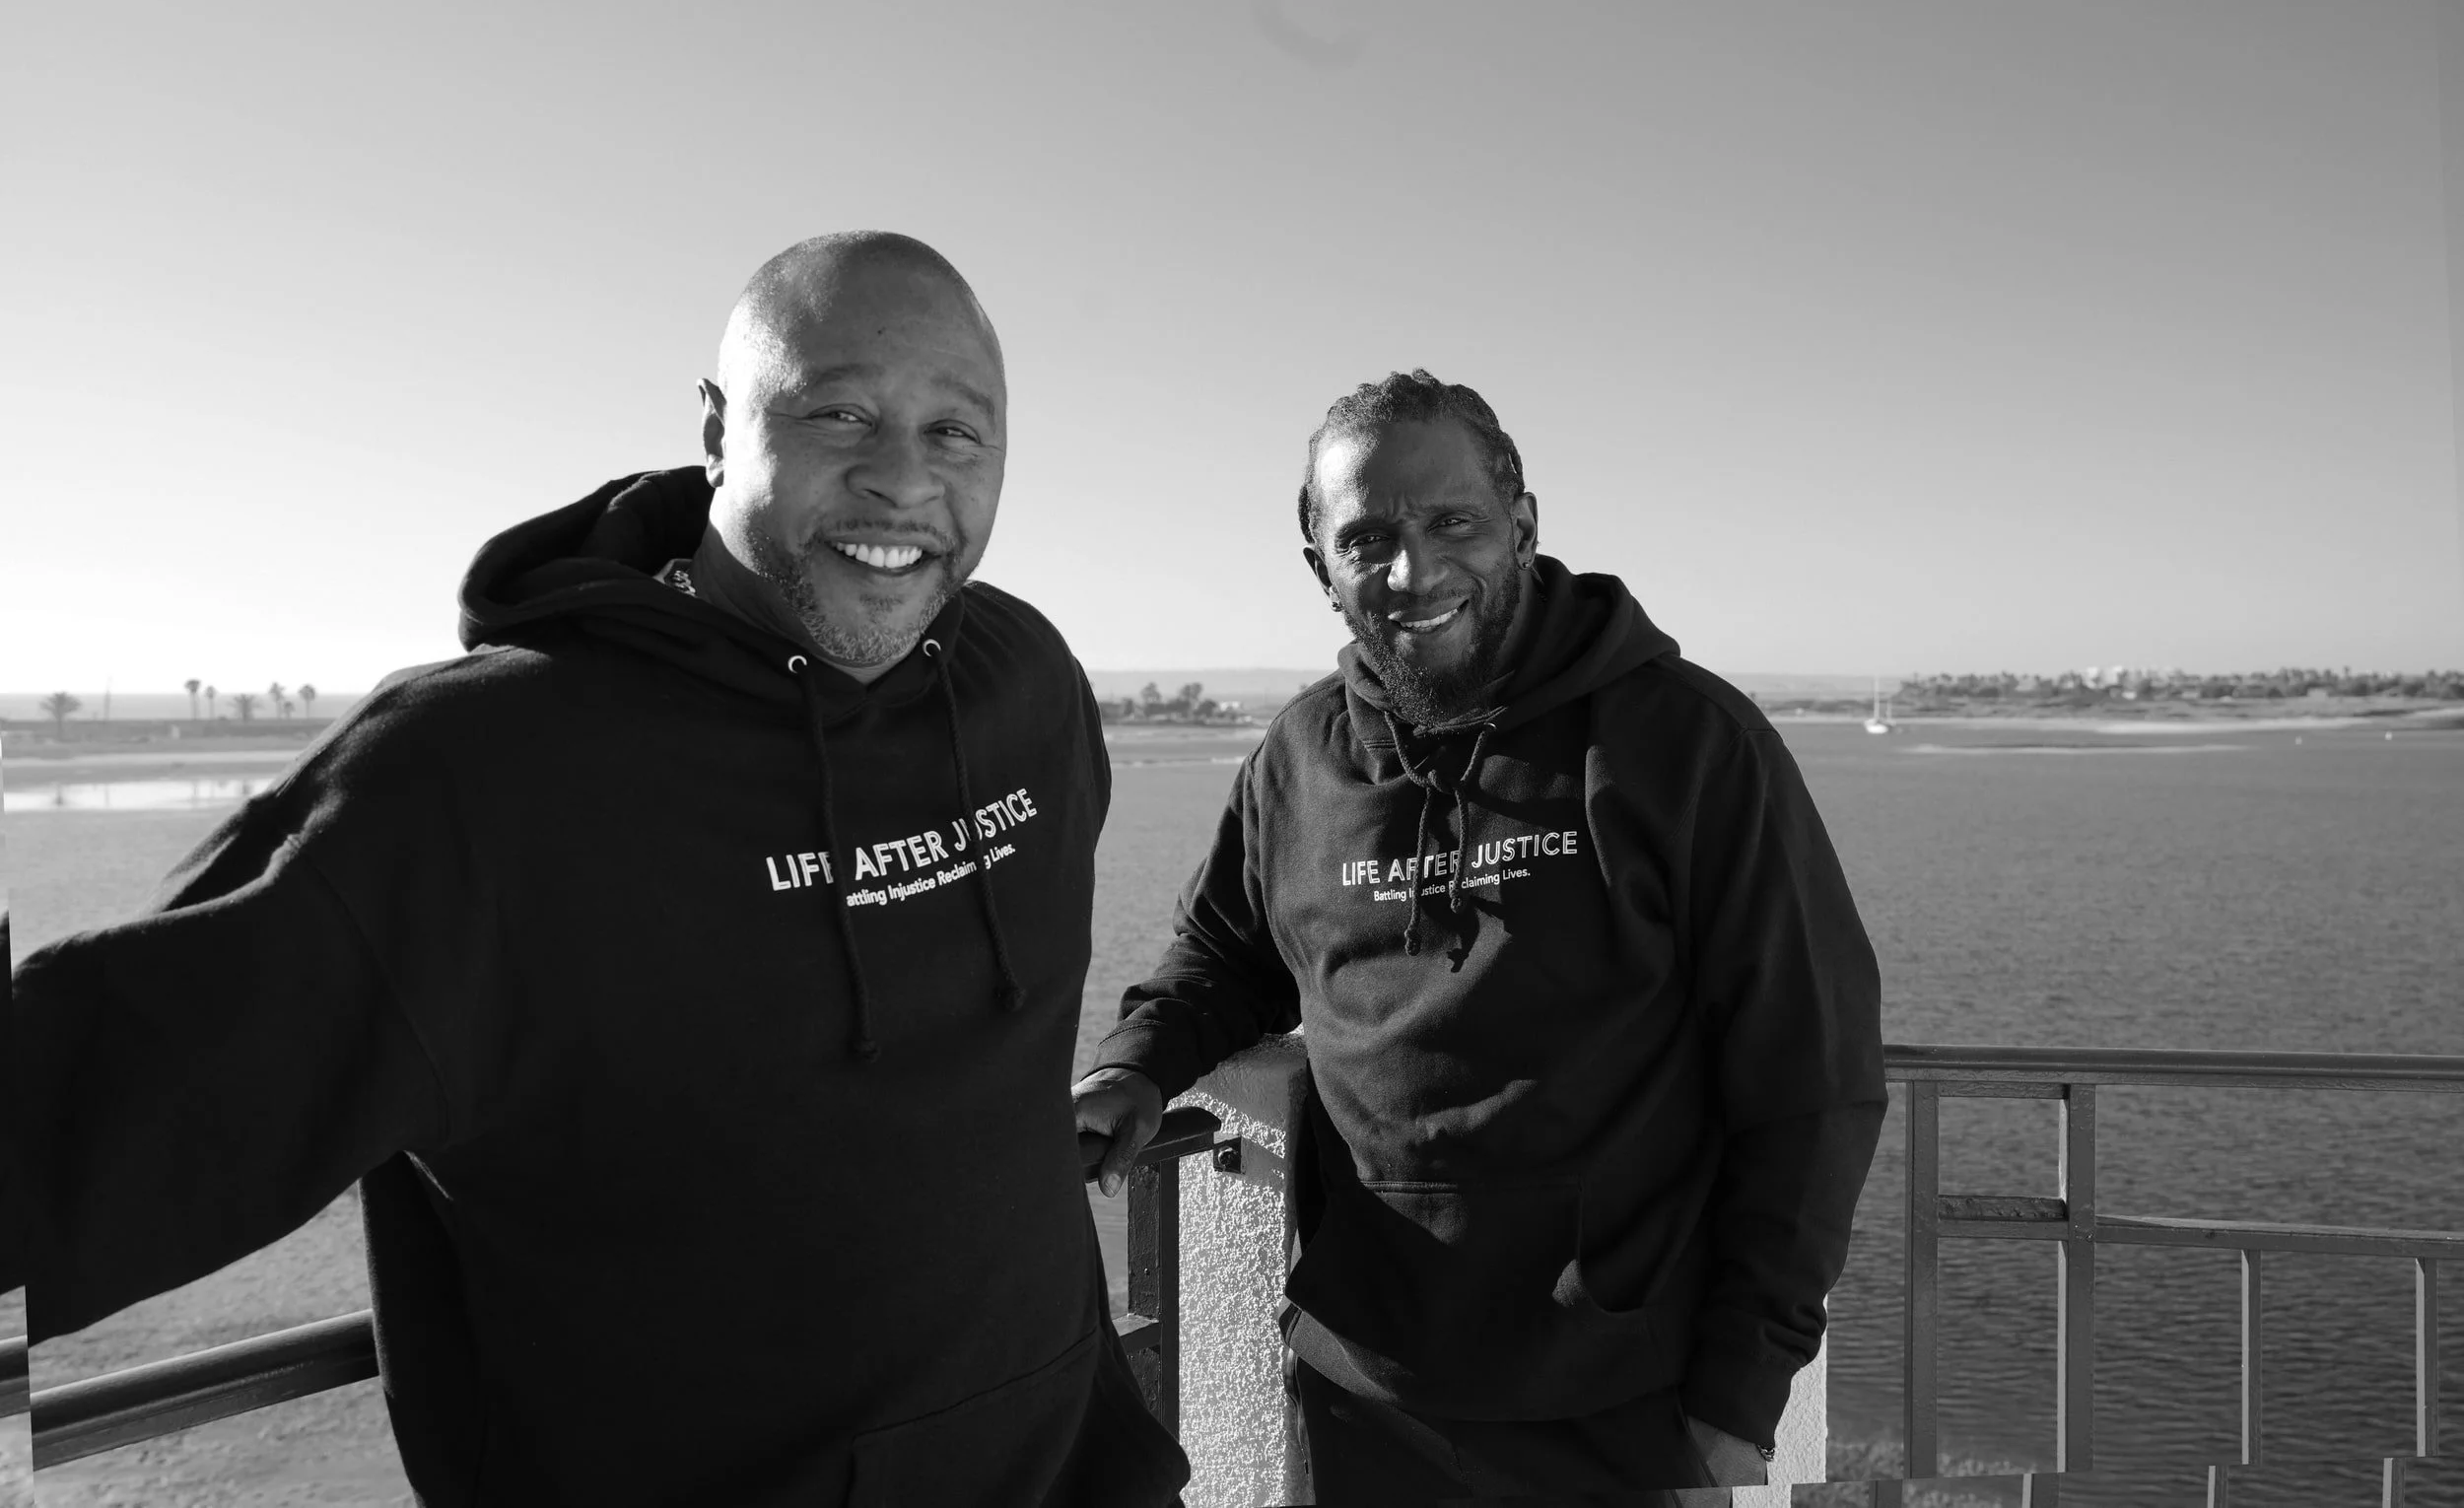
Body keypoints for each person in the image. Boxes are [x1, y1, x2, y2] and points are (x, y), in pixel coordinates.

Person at [13, 233, 1189, 1508]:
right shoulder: (476, 779)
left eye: (956, 431)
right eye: (839, 412)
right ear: (719, 430)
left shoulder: (1024, 683)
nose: (903, 477)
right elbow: (73, 1139)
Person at [1073, 369, 1884, 1503]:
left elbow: (1812, 1073)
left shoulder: (1685, 742)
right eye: (1367, 538)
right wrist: (1133, 1067)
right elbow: (1223, 954)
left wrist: (1739, 1392)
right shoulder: (1298, 758)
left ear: (1523, 525)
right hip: (1367, 1382)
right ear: (1320, 570)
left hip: (1624, 1396)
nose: (1413, 571)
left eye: (1452, 522)